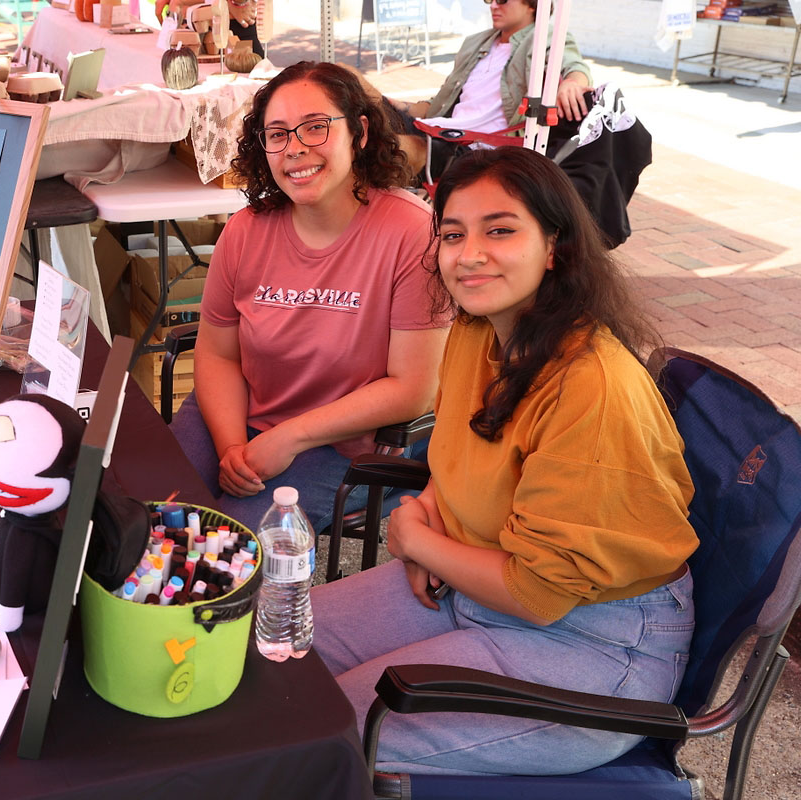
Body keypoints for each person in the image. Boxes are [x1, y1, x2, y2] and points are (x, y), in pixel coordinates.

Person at [310, 146, 698, 776]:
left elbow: (537, 594)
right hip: (474, 575)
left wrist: (417, 541)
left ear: (555, 246)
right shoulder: (477, 329)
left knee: (327, 732)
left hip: (593, 640)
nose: (469, 255)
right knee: (277, 651)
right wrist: (430, 515)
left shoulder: (590, 388)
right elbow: (455, 454)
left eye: (499, 231)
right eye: (452, 234)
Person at [168, 61, 448, 533]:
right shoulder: (244, 231)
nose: (295, 148)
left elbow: (413, 387)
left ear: (360, 133)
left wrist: (290, 437)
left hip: (338, 441)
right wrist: (232, 446)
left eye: (315, 127)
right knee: (146, 512)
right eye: (277, 134)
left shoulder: (412, 233)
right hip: (238, 412)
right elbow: (218, 354)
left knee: (238, 548)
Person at [400, 0, 592, 133]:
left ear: (531, 5)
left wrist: (572, 83)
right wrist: (398, 106)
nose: (493, 6)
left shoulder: (544, 37)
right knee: (384, 119)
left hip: (483, 146)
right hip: (442, 132)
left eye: (502, 0)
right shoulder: (475, 42)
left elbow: (575, 66)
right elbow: (443, 101)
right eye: (490, 0)